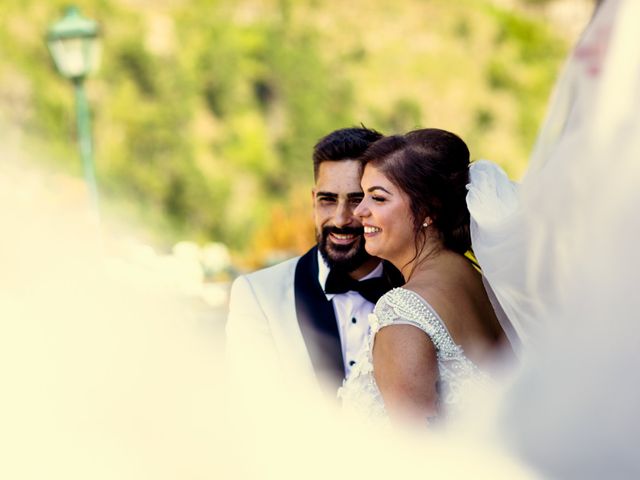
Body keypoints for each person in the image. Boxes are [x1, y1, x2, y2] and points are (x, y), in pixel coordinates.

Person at [339, 128, 514, 424]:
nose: (359, 211)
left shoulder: (403, 312)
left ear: (427, 211)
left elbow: (417, 457)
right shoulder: (474, 276)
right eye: (364, 195)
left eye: (378, 198)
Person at [226, 126, 404, 401]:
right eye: (327, 200)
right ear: (313, 201)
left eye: (357, 200)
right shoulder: (259, 295)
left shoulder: (417, 291)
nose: (341, 219)